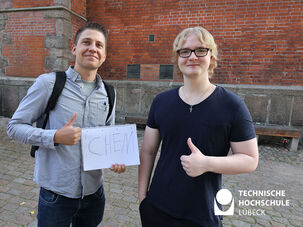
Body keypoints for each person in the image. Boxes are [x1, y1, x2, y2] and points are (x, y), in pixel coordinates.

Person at [7, 22, 125, 227]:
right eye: (86, 42)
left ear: (104, 54)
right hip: (56, 196)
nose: (92, 48)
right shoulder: (49, 83)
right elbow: (14, 126)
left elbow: (108, 138)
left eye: (99, 45)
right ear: (74, 48)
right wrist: (54, 137)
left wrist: (115, 159)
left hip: (94, 195)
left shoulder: (109, 93)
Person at [138, 26, 259, 227]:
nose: (192, 56)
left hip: (202, 213)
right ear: (177, 58)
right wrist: (142, 197)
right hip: (157, 208)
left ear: (211, 56)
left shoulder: (232, 105)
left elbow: (250, 160)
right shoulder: (161, 101)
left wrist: (207, 163)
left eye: (200, 50)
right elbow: (148, 151)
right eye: (185, 51)